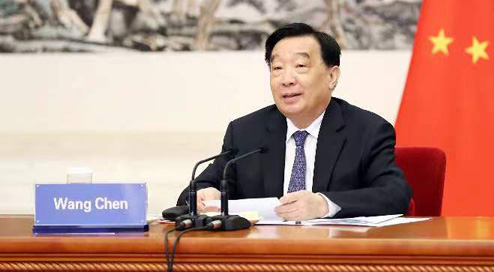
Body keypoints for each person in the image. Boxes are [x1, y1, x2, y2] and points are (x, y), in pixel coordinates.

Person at [176, 23, 411, 220]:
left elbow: (395, 194)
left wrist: (324, 204)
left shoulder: (367, 130)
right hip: (263, 253)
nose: (286, 79)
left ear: (332, 76)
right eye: (277, 68)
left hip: (334, 253)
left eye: (300, 66)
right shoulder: (246, 132)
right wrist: (206, 194)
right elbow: (193, 192)